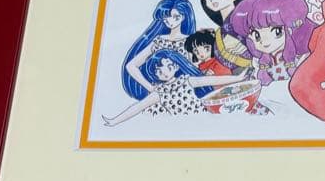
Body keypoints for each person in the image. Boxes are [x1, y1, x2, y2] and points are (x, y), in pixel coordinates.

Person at [102, 50, 252, 126]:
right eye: (158, 71)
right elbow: (137, 107)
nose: (163, 72)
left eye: (168, 67)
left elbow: (210, 80)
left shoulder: (186, 80)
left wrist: (237, 79)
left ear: (175, 66)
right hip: (184, 127)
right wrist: (115, 121)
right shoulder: (160, 92)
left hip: (204, 120)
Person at [120, 0, 197, 99]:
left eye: (175, 17)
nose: (170, 21)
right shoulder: (159, 41)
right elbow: (131, 66)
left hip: (182, 93)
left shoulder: (189, 41)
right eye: (166, 17)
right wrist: (150, 88)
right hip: (160, 95)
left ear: (183, 17)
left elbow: (193, 70)